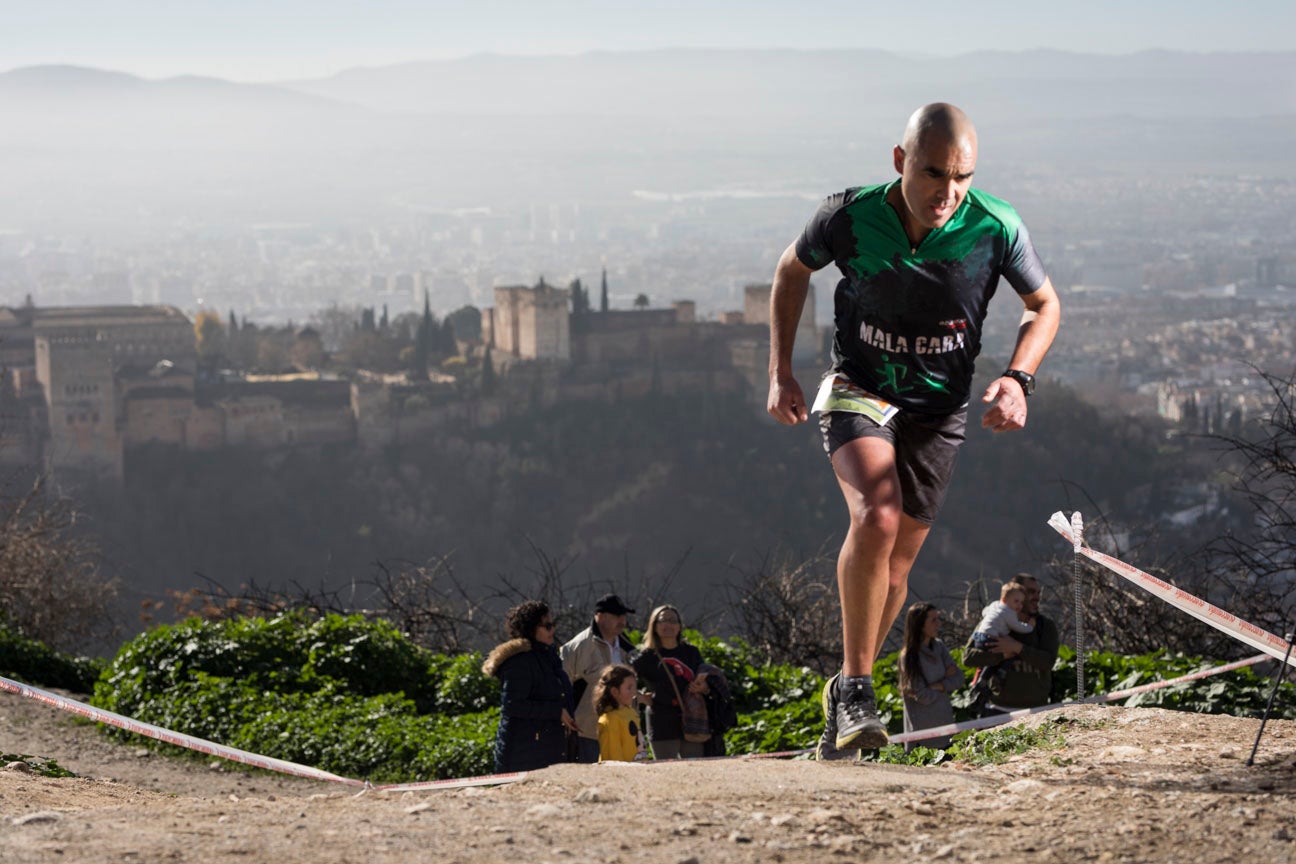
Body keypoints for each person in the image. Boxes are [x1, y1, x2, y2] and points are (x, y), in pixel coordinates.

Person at [766, 102, 1061, 759]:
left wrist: (1019, 379)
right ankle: (856, 690)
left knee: (897, 568)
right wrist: (780, 371)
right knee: (877, 516)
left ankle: (846, 692)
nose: (947, 192)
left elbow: (1044, 305)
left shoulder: (995, 226)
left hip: (938, 411)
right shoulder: (849, 215)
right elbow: (791, 272)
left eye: (962, 177)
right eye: (933, 173)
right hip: (860, 392)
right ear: (900, 162)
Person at [481, 600, 578, 773]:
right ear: (531, 628)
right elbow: (513, 705)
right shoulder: (519, 661)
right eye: (546, 626)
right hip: (523, 755)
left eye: (553, 625)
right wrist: (556, 711)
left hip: (548, 750)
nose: (552, 630)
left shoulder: (549, 657)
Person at [962, 573, 1060, 714]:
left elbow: (1048, 662)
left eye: (1038, 592)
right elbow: (968, 658)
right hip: (996, 710)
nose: (1036, 597)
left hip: (1037, 712)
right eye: (1030, 592)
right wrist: (1002, 655)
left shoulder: (1045, 626)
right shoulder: (993, 621)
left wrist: (1017, 648)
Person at [560, 593, 638, 763]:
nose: (622, 620)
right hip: (588, 732)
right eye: (617, 615)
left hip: (624, 729)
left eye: (623, 615)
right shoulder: (577, 647)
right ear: (600, 616)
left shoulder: (628, 648)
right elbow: (559, 684)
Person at [633, 604, 712, 760]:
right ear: (654, 626)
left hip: (692, 719)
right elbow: (621, 680)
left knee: (695, 770)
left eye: (673, 621)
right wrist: (641, 697)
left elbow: (706, 681)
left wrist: (703, 687)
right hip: (662, 721)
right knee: (665, 771)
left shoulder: (691, 652)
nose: (668, 625)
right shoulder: (646, 657)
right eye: (663, 621)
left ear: (679, 626)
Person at [897, 602, 964, 752]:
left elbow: (959, 678)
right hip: (922, 738)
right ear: (920, 625)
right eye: (933, 620)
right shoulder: (909, 656)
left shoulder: (939, 647)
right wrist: (945, 681)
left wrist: (936, 685)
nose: (938, 624)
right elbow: (922, 695)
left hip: (945, 730)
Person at [594, 664, 645, 762]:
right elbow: (612, 758)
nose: (634, 692)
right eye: (629, 688)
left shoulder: (630, 712)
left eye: (635, 688)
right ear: (614, 691)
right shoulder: (609, 720)